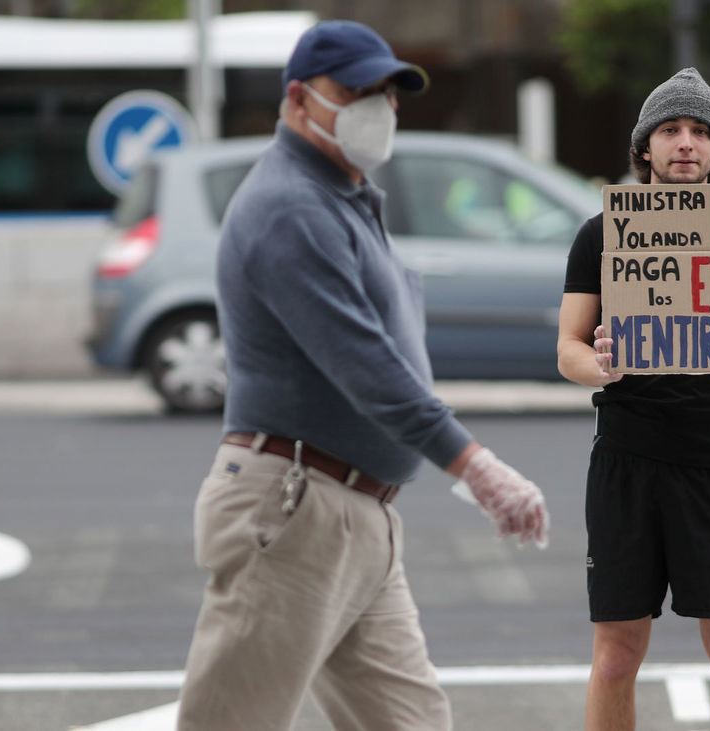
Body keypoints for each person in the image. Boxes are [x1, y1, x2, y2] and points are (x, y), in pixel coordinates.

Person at [176, 20, 549, 731]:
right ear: (296, 101)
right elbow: (366, 365)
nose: (375, 107)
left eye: (385, 91)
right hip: (293, 510)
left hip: (352, 515)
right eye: (353, 90)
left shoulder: (338, 195)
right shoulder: (290, 205)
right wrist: (474, 465)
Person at [556, 67, 710, 731]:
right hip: (625, 461)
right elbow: (567, 350)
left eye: (698, 131)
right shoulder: (601, 233)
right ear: (644, 149)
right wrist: (600, 363)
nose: (684, 143)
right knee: (614, 657)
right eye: (669, 130)